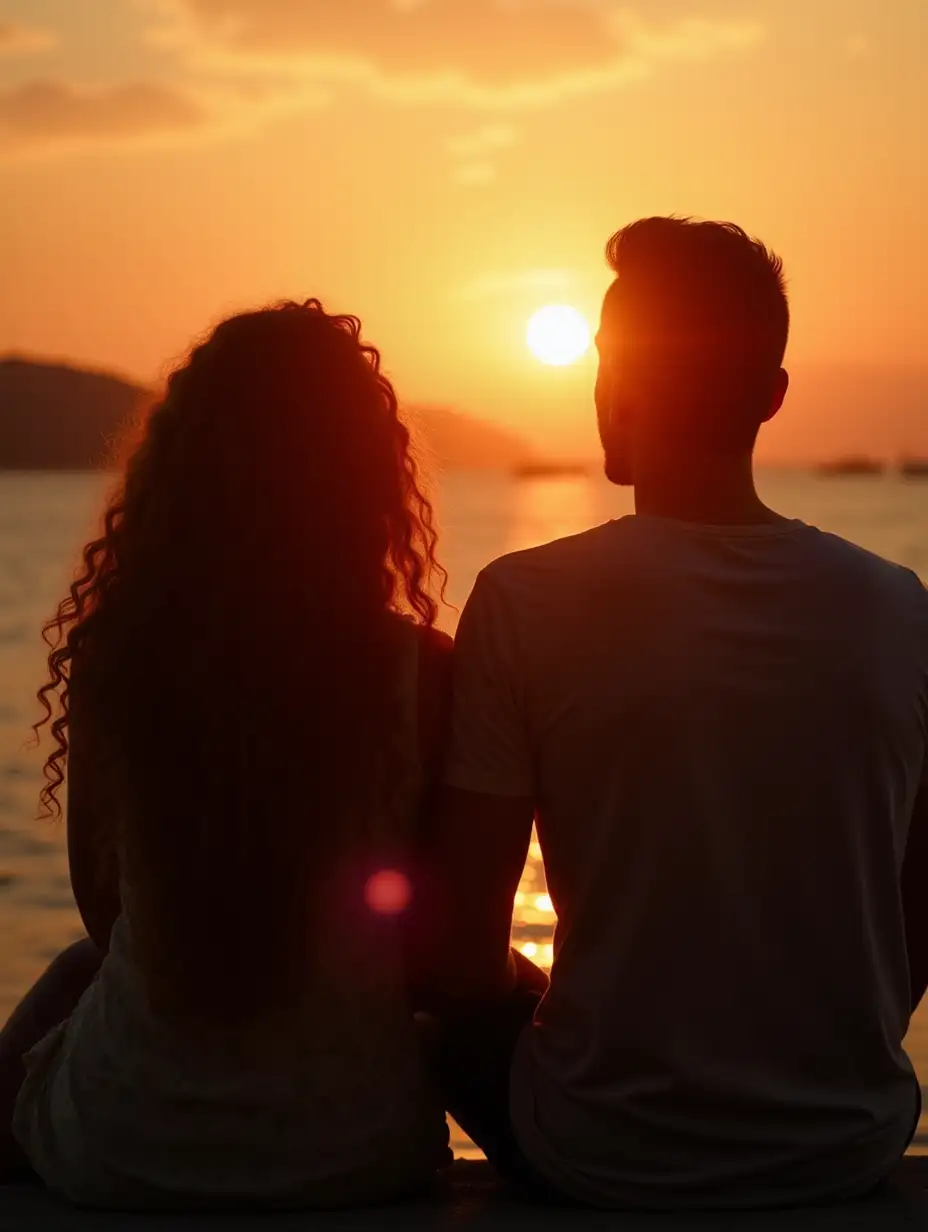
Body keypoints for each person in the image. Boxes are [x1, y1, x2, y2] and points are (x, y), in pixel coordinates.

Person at [431, 217, 928, 1210]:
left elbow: (455, 954)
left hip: (600, 1153)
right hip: (847, 1140)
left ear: (612, 385)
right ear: (772, 397)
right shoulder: (900, 607)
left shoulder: (525, 600)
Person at [0, 301, 454, 1208]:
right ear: (365, 479)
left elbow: (105, 910)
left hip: (120, 1144)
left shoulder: (119, 663)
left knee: (77, 971)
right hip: (352, 1151)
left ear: (181, 475)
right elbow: (434, 935)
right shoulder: (422, 675)